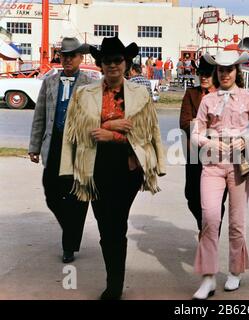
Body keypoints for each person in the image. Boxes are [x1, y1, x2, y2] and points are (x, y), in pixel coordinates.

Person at [59, 36, 166, 300]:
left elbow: (147, 131)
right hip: (93, 168)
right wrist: (109, 125)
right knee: (106, 227)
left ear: (126, 63)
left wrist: (114, 136)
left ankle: (114, 285)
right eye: (107, 61)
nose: (113, 66)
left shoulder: (140, 93)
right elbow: (73, 132)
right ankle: (114, 277)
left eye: (118, 60)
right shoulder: (85, 94)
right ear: (100, 64)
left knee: (115, 225)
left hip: (127, 168)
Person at [190, 50, 249, 300]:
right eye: (221, 70)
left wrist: (247, 141)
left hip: (240, 167)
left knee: (237, 222)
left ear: (238, 72)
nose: (225, 74)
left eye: (230, 70)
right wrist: (208, 143)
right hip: (212, 165)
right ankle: (208, 278)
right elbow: (195, 134)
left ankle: (235, 271)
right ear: (216, 72)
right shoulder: (207, 100)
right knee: (210, 218)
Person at [28, 37, 92, 264]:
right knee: (51, 193)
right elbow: (40, 116)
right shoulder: (50, 82)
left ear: (80, 58)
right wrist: (34, 146)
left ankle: (69, 244)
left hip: (79, 147)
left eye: (72, 56)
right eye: (64, 55)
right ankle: (71, 229)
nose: (67, 60)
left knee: (77, 196)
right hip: (54, 144)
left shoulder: (90, 82)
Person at [179, 55, 227, 236]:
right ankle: (204, 226)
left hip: (219, 157)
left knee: (217, 200)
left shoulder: (224, 96)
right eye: (200, 73)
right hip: (195, 155)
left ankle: (211, 237)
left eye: (207, 73)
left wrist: (198, 125)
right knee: (192, 196)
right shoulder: (191, 94)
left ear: (215, 74)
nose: (204, 77)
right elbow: (184, 124)